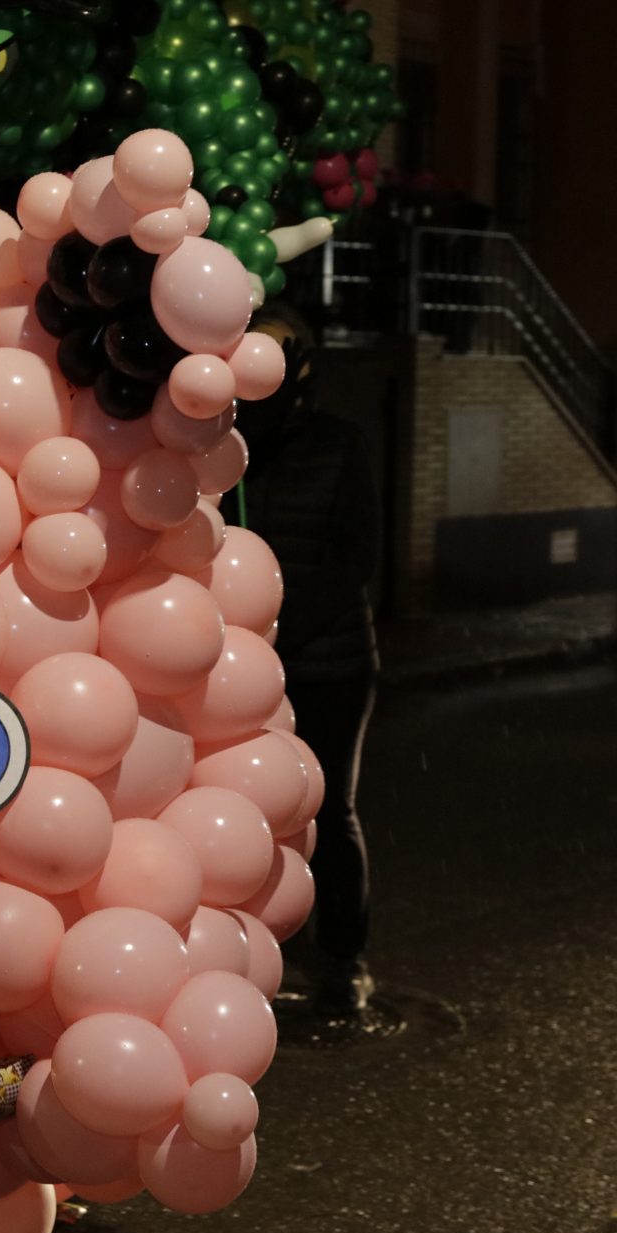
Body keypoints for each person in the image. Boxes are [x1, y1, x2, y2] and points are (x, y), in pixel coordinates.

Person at [234, 300, 382, 1027]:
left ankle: (344, 957)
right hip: (242, 670)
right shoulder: (225, 444)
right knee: (246, 813)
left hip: (327, 664)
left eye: (281, 352)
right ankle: (259, 953)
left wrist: (282, 635)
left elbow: (355, 557)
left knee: (329, 811)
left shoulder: (336, 444)